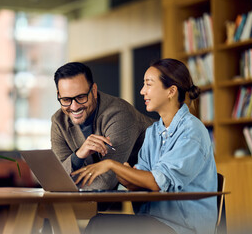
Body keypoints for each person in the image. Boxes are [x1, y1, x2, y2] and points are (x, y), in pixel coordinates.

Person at [72, 58, 218, 234]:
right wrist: (123, 172)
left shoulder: (192, 131)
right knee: (99, 222)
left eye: (148, 84)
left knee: (100, 225)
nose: (142, 91)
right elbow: (141, 184)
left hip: (182, 228)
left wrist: (112, 165)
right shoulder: (153, 131)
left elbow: (157, 182)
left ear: (171, 91)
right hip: (155, 221)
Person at [51, 62, 154, 190]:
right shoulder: (58, 121)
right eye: (66, 100)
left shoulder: (119, 114)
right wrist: (77, 156)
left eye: (81, 97)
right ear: (59, 95)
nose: (74, 107)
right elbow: (56, 178)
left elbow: (104, 184)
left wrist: (65, 184)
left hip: (167, 192)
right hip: (139, 197)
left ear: (93, 91)